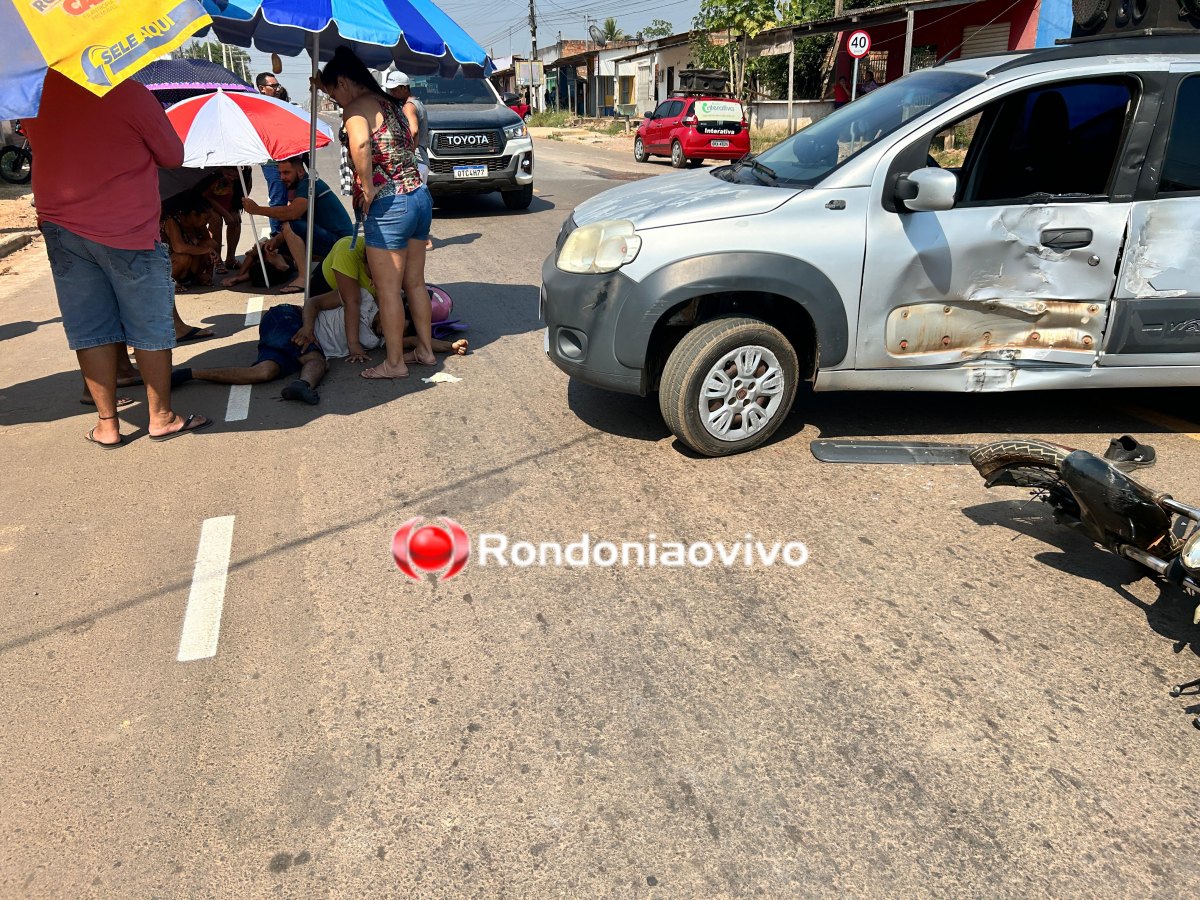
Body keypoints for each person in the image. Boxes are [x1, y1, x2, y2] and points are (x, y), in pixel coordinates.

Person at [24, 71, 210, 447]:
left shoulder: (32, 95)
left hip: (62, 228)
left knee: (90, 327)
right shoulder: (128, 93)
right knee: (149, 323)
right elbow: (173, 156)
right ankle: (161, 417)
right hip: (126, 227)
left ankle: (107, 425)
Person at [317, 46, 435, 380]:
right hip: (419, 197)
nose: (337, 102)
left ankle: (395, 363)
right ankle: (425, 350)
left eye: (334, 94)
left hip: (390, 203)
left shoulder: (356, 108)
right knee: (414, 283)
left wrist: (366, 186)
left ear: (343, 81)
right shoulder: (392, 103)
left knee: (387, 290)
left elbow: (361, 145)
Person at [172, 290, 467, 406]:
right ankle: (302, 384)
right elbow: (312, 302)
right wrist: (307, 327)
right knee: (314, 358)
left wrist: (451, 346)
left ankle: (188, 374)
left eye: (393, 331)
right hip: (290, 319)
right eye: (386, 323)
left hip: (311, 348)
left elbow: (417, 342)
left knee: (265, 372)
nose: (383, 330)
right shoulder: (362, 298)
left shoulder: (383, 339)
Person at [241, 156, 353, 293]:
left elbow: (292, 213)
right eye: (280, 173)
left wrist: (257, 210)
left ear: (300, 172)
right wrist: (276, 240)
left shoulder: (308, 184)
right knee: (275, 244)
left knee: (288, 225)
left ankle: (303, 277)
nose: (282, 177)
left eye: (286, 173)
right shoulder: (301, 185)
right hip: (333, 238)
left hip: (341, 242)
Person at [383, 70, 434, 250]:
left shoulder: (408, 106)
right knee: (418, 202)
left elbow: (412, 130)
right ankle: (421, 239)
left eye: (395, 90)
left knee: (412, 203)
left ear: (405, 88)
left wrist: (408, 155)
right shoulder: (417, 103)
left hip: (416, 159)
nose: (391, 94)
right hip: (422, 159)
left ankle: (423, 240)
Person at [255, 72, 290, 236]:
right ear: (262, 88)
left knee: (293, 198)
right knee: (278, 199)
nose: (277, 89)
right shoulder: (259, 108)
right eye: (273, 86)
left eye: (278, 86)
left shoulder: (281, 105)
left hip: (287, 158)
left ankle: (287, 233)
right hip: (271, 161)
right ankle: (276, 236)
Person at [163, 193, 219, 289]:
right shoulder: (172, 221)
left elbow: (211, 245)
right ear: (193, 214)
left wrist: (209, 274)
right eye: (205, 218)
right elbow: (179, 247)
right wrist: (206, 250)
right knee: (183, 257)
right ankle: (169, 281)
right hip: (171, 264)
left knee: (211, 244)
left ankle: (197, 277)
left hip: (191, 268)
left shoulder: (200, 225)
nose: (207, 222)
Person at [202, 167, 249, 273]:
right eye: (229, 175)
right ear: (222, 169)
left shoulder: (244, 174)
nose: (232, 178)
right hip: (211, 204)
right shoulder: (212, 175)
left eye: (235, 176)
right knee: (216, 221)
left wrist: (234, 209)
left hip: (230, 203)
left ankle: (230, 258)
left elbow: (244, 193)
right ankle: (217, 260)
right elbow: (206, 197)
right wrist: (225, 213)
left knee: (235, 221)